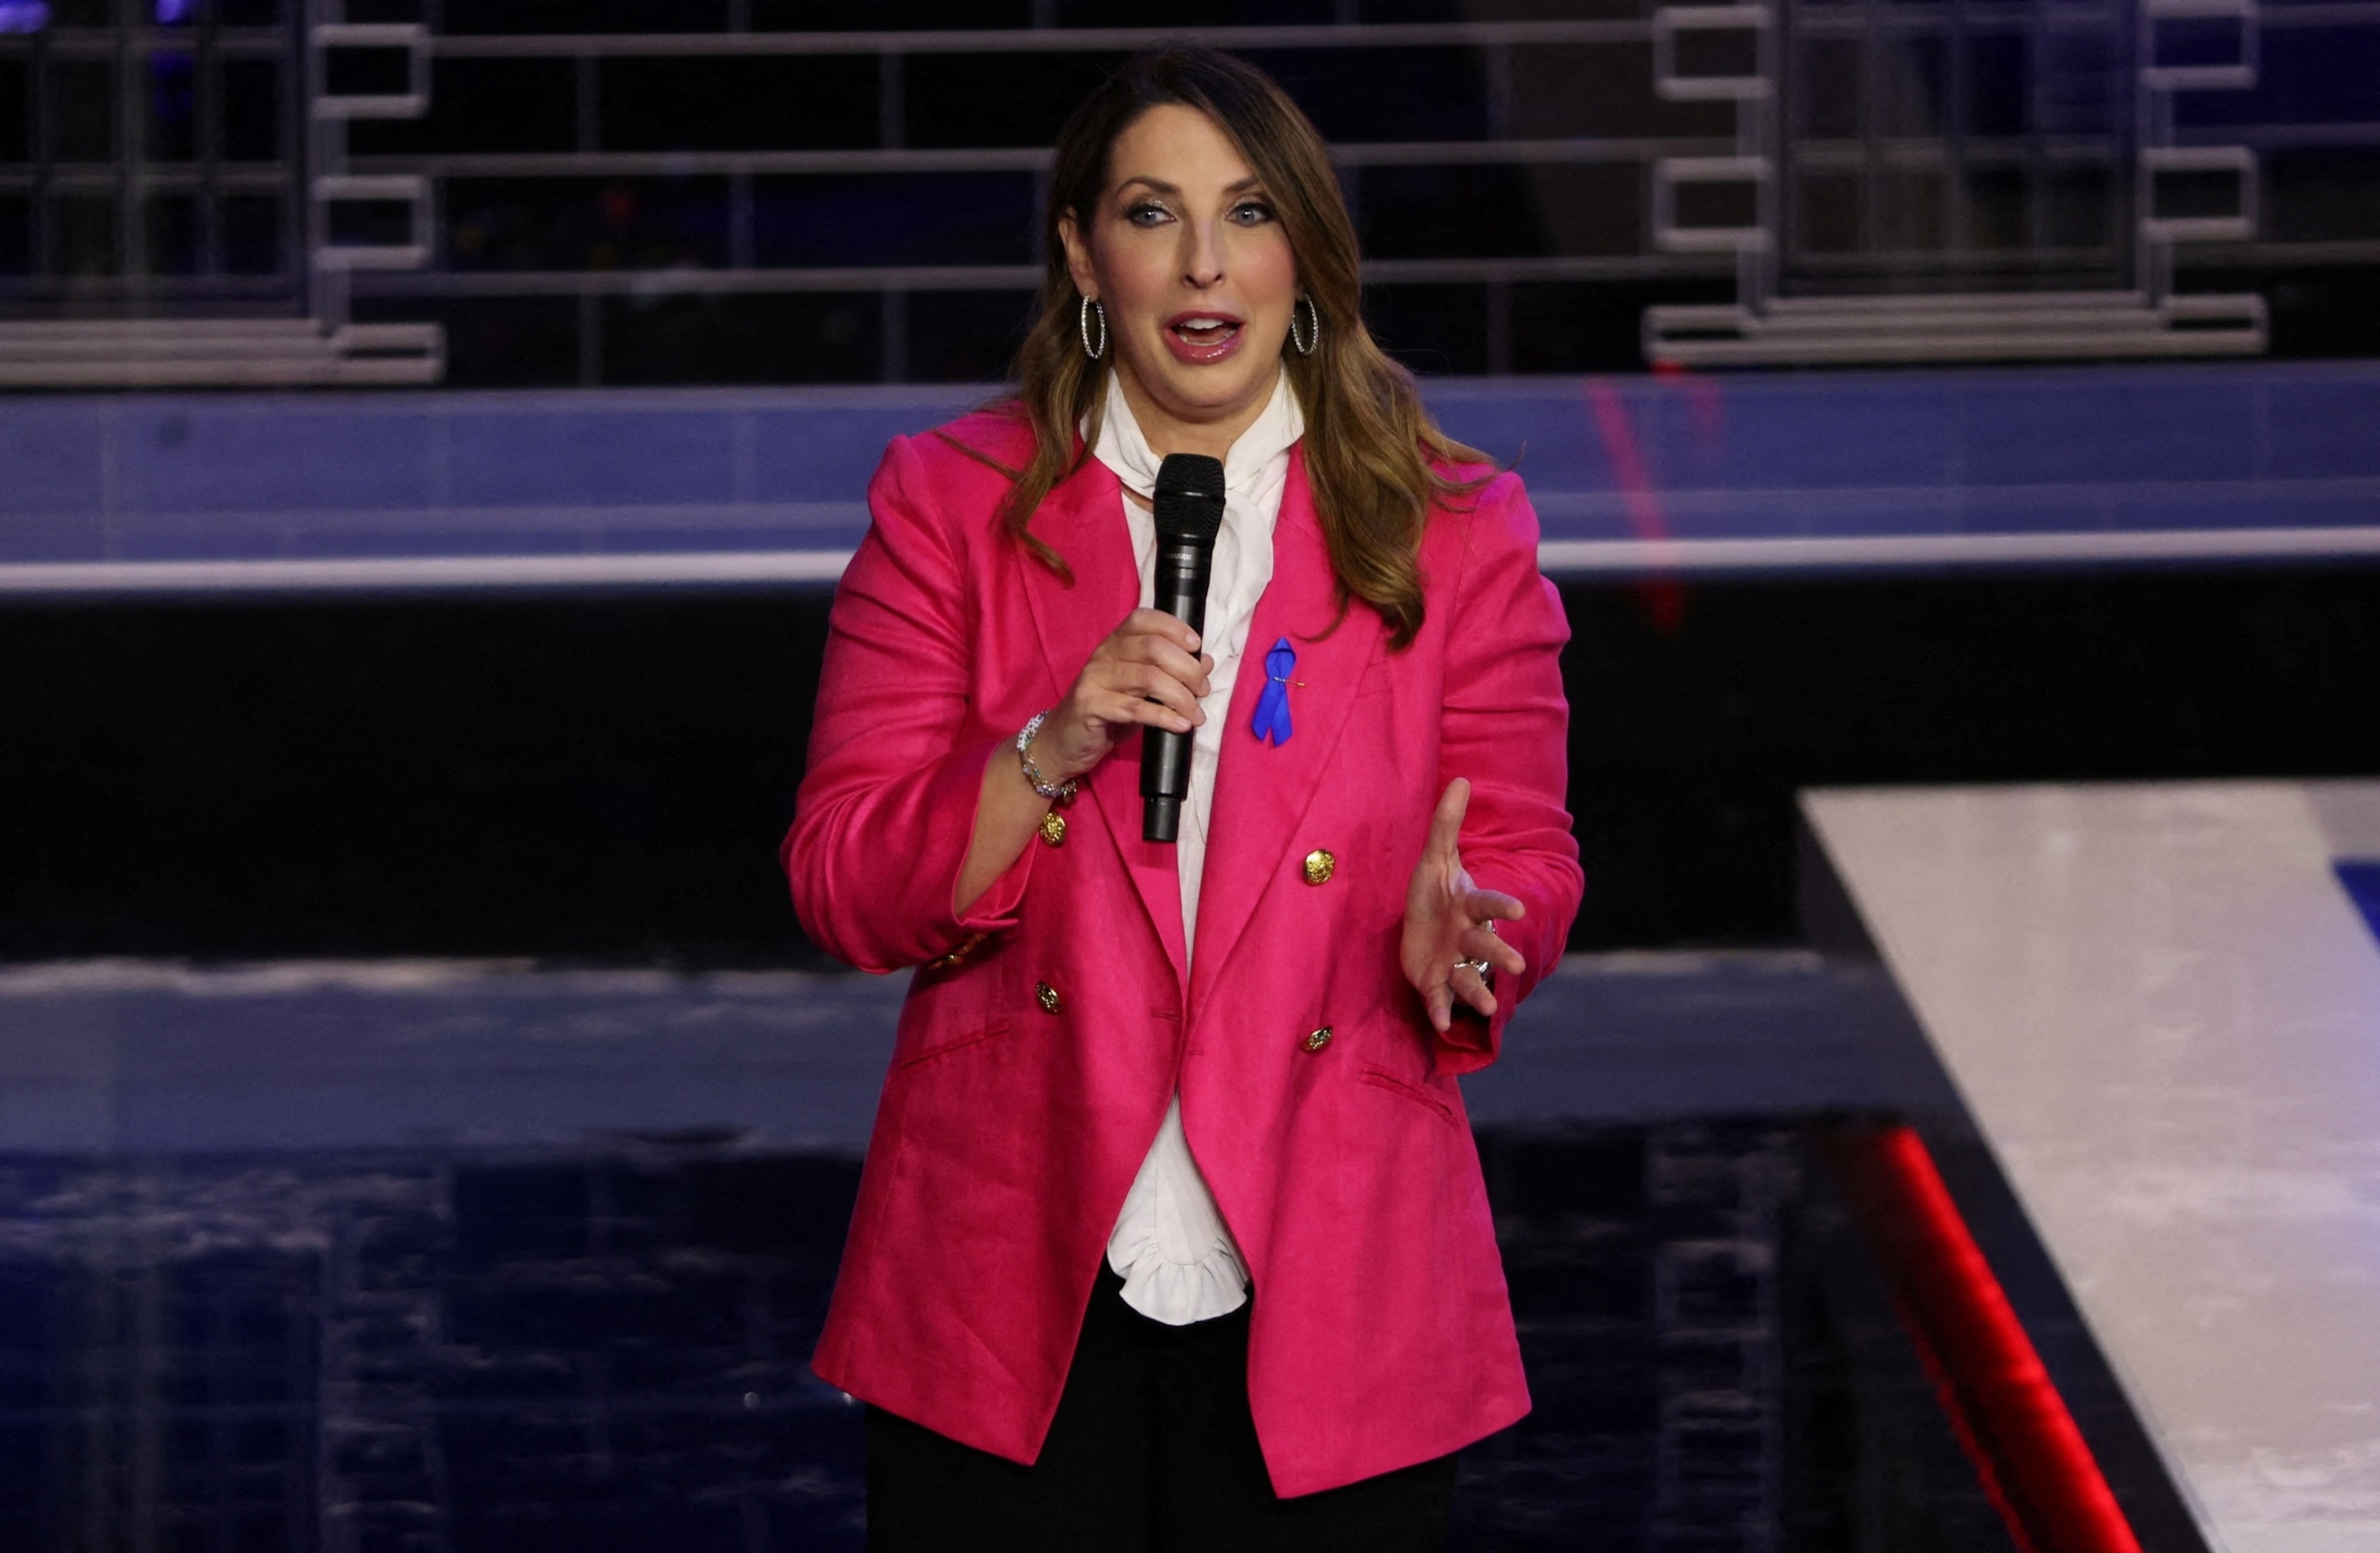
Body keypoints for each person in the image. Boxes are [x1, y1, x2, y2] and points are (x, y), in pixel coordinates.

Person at [784, 43, 1580, 1551]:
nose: (1206, 264)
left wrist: (1477, 934)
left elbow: (1526, 856)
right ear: (1086, 251)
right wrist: (1048, 743)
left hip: (1337, 1267)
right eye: (1154, 214)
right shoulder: (949, 504)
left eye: (1252, 211)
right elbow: (842, 882)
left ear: (1308, 253)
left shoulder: (1456, 525)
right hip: (1007, 1279)